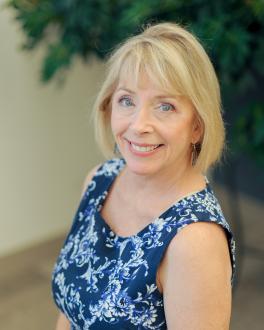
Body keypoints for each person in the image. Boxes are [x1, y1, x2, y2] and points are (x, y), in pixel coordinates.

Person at [51, 21, 236, 329]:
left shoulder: (194, 241)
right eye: (127, 100)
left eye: (165, 106)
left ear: (197, 126)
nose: (139, 125)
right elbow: (70, 313)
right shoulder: (99, 181)